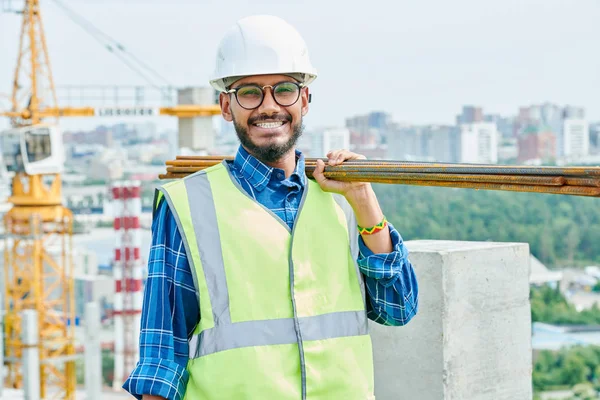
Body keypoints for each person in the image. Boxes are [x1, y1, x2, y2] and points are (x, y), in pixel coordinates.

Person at [123, 14, 418, 400]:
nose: (269, 106)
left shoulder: (344, 200)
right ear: (226, 106)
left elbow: (398, 309)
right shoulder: (190, 205)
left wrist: (364, 199)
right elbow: (162, 358)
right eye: (250, 92)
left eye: (284, 89)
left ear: (305, 100)